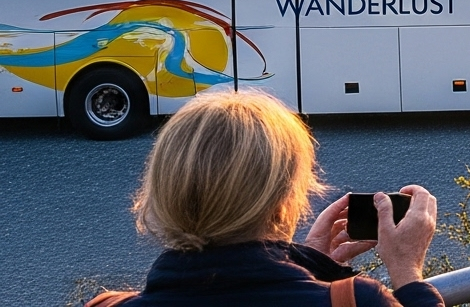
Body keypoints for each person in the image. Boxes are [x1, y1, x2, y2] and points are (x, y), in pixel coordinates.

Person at [116, 85, 441, 306]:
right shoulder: (356, 301)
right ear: (283, 202)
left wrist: (309, 264)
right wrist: (407, 270)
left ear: (162, 191)